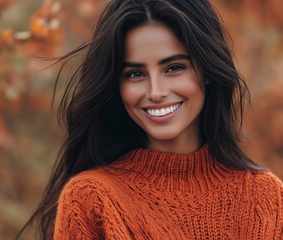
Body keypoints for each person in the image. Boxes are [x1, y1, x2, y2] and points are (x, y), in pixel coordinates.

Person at [19, 0, 283, 239]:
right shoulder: (91, 199)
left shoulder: (266, 196)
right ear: (116, 85)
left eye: (174, 68)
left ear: (207, 70)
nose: (156, 92)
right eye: (135, 74)